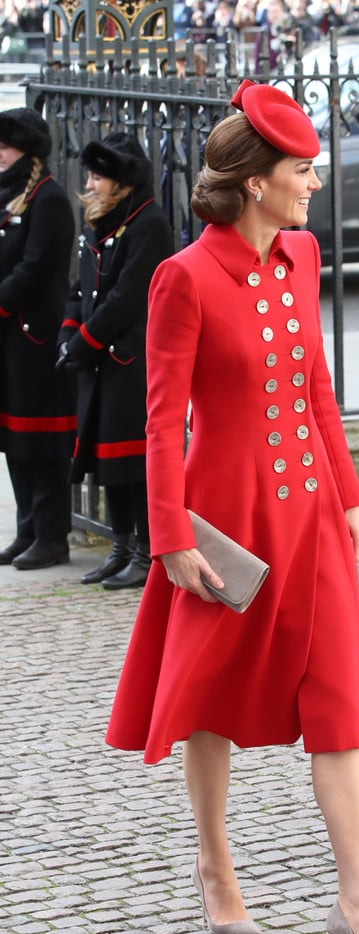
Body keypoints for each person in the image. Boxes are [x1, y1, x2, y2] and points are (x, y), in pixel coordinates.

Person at [104, 82, 359, 934]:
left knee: (336, 705)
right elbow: (163, 422)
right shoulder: (183, 277)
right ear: (254, 183)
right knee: (208, 696)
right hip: (223, 521)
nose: (313, 182)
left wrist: (352, 495)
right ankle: (215, 869)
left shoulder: (304, 254)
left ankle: (358, 905)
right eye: (301, 170)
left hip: (311, 516)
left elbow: (317, 386)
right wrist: (170, 539)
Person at [57, 133, 173, 589]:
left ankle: (146, 552)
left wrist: (85, 340)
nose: (90, 183)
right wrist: (70, 333)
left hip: (128, 361)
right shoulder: (101, 220)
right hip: (97, 361)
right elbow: (80, 286)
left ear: (121, 182)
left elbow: (127, 297)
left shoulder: (149, 223)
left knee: (135, 465)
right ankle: (121, 548)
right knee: (108, 464)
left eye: (98, 176)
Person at [0, 107, 76, 570]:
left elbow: (34, 268)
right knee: (13, 441)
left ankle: (52, 535)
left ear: (25, 152)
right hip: (9, 338)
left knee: (42, 443)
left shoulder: (47, 199)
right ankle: (27, 528)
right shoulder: (9, 196)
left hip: (35, 335)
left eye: (4, 148)